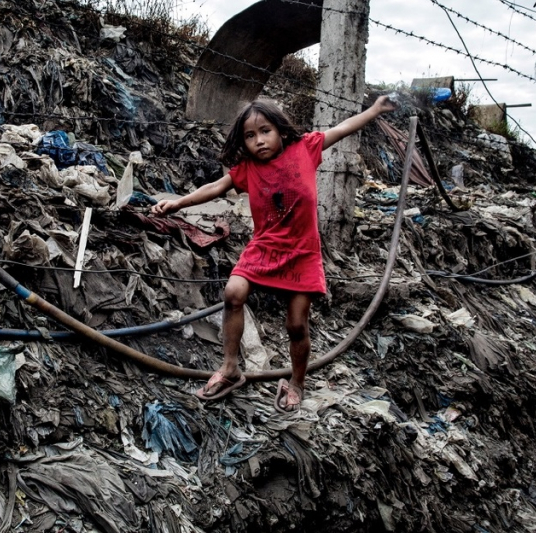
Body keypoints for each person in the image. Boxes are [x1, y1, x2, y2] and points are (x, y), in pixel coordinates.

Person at [152, 95, 395, 412]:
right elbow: (215, 187)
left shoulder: (305, 149)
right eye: (250, 136)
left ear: (280, 130)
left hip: (302, 252)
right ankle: (230, 368)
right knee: (233, 292)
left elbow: (343, 127)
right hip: (265, 246)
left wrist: (374, 110)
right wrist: (178, 203)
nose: (258, 141)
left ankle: (296, 382)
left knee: (296, 325)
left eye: (265, 131)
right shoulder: (249, 169)